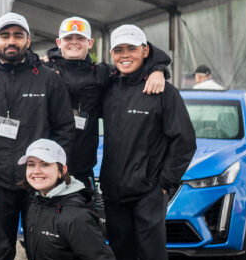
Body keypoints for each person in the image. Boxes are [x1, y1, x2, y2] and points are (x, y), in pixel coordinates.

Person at [100, 24, 196, 260]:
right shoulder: (109, 87)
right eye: (118, 50)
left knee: (152, 259)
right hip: (113, 189)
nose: (125, 55)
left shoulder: (164, 92)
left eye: (131, 49)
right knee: (122, 256)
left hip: (147, 192)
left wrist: (163, 185)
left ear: (145, 51)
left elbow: (184, 142)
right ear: (112, 56)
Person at [0, 12, 73, 260]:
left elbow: (64, 129)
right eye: (5, 35)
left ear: (28, 40)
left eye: (18, 35)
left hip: (39, 182)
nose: (11, 41)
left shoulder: (48, 79)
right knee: (0, 251)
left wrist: (53, 174)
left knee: (42, 249)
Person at [42, 16, 167, 188]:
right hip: (47, 166)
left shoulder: (103, 73)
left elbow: (131, 61)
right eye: (68, 38)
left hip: (83, 167)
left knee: (81, 214)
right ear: (58, 42)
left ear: (90, 42)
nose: (74, 43)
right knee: (45, 214)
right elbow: (12, 60)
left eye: (80, 38)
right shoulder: (44, 71)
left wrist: (158, 69)